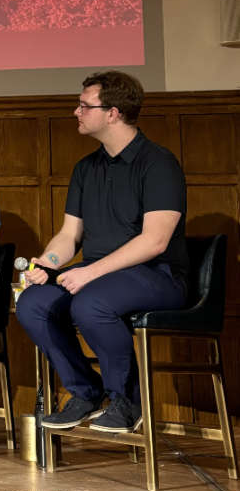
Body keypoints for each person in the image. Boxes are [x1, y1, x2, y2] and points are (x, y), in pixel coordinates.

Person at [16, 71, 188, 434]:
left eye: (84, 106)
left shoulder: (158, 163)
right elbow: (69, 234)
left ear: (113, 112)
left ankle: (127, 400)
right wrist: (46, 265)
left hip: (158, 275)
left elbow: (154, 241)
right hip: (99, 275)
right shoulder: (86, 168)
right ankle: (85, 392)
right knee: (33, 303)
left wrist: (89, 273)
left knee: (90, 302)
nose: (75, 112)